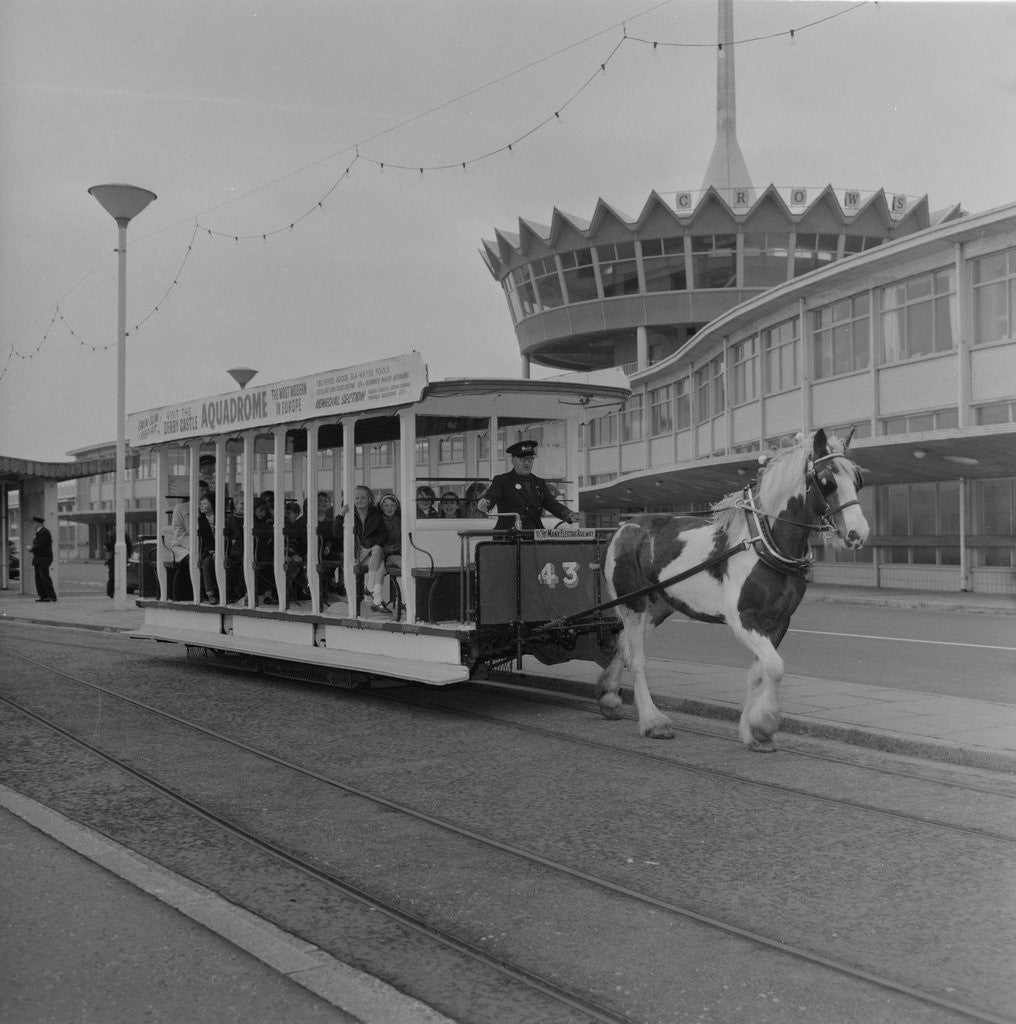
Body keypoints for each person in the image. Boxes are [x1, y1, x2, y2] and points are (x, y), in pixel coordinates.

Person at [477, 439, 578, 532]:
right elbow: (491, 496)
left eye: (530, 459)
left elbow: (551, 504)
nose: (527, 463)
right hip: (509, 536)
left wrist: (568, 514)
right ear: (513, 460)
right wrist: (485, 502)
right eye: (523, 459)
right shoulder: (502, 481)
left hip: (533, 535)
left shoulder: (539, 482)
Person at [338, 485, 389, 612]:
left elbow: (384, 534)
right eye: (356, 498)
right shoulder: (349, 514)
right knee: (381, 566)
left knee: (377, 549)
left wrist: (371, 542)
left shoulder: (375, 515)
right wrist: (340, 516)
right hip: (355, 553)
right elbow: (337, 534)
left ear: (369, 499)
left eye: (363, 498)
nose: (359, 500)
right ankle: (376, 599)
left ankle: (371, 589)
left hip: (371, 552)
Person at [282, 500, 309, 604]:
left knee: (299, 562)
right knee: (295, 563)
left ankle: (296, 589)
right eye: (285, 512)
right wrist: (292, 554)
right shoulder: (289, 526)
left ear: (296, 515)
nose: (285, 515)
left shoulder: (294, 527)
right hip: (287, 553)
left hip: (292, 552)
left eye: (288, 513)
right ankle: (286, 589)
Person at [251, 499, 276, 604]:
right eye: (260, 510)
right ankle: (265, 593)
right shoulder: (251, 523)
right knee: (266, 564)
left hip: (266, 552)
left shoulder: (268, 522)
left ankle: (269, 594)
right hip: (253, 552)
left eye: (264, 511)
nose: (263, 513)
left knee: (271, 563)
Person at [29, 515, 57, 602]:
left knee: (44, 577)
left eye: (33, 523)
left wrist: (31, 548)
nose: (32, 524)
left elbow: (42, 545)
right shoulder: (38, 532)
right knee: (38, 578)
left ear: (38, 523)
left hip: (44, 558)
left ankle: (50, 596)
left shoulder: (45, 532)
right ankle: (43, 596)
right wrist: (33, 548)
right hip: (38, 558)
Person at [196, 494, 219, 604]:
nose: (201, 506)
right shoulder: (201, 520)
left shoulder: (219, 517)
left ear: (212, 504)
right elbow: (204, 538)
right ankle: (210, 594)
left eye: (204, 503)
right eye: (200, 504)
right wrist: (212, 550)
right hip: (207, 550)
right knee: (207, 563)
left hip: (221, 548)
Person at [104, 526, 134, 599]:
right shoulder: (125, 534)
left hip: (112, 558)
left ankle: (110, 593)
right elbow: (130, 546)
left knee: (112, 576)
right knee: (122, 575)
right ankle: (121, 593)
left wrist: (107, 559)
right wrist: (129, 556)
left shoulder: (109, 533)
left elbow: (106, 547)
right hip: (123, 558)